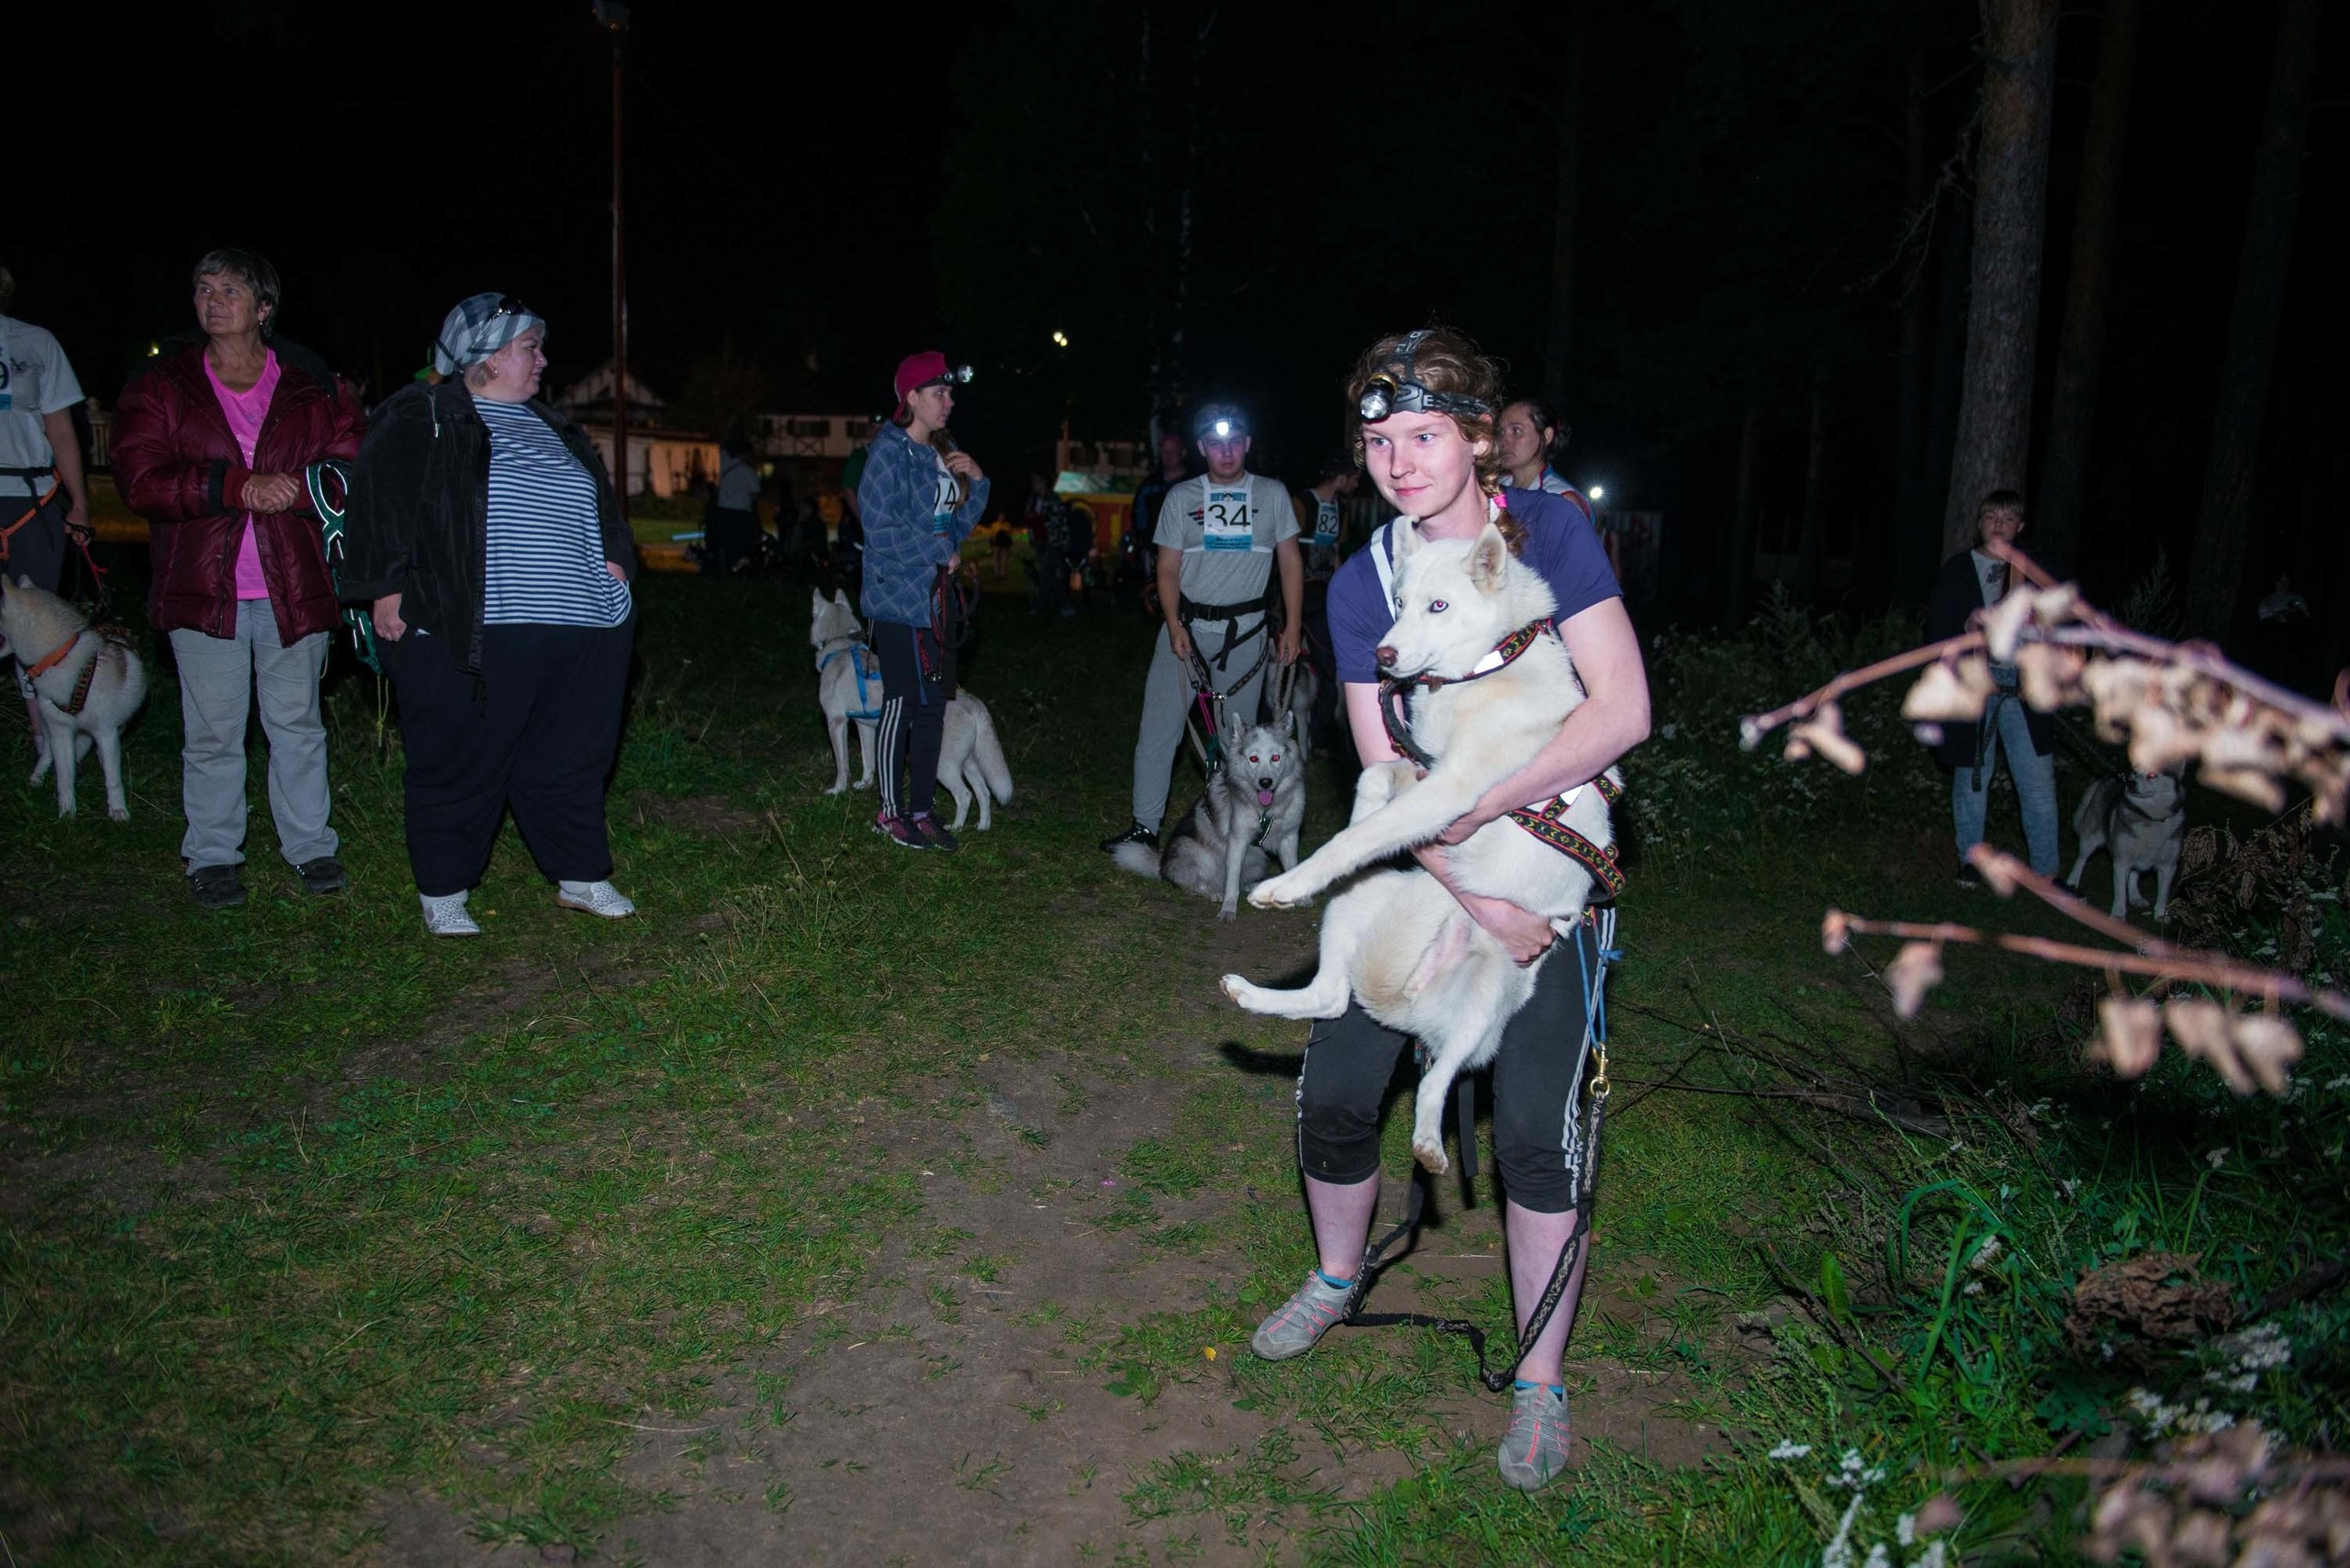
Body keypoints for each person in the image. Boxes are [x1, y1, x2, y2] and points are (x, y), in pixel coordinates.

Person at [1247, 328, 1648, 1493]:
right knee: (1333, 1090)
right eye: (1376, 439)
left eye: (1423, 433)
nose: (1398, 459)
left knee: (1532, 1131)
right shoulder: (1361, 577)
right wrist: (1469, 878)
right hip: (1439, 875)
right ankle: (1334, 1275)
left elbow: (1619, 710)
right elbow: (1381, 771)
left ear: (1477, 435)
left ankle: (1537, 1380)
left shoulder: (1551, 534)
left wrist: (1497, 819)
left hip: (1549, 872)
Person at [343, 293, 640, 935]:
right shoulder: (421, 414)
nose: (543, 360)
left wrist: (616, 566)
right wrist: (385, 587)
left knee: (570, 753)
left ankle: (581, 875)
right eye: (531, 346)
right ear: (489, 353)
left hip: (581, 624)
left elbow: (604, 510)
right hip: (476, 624)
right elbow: (382, 502)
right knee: (461, 753)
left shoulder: (555, 426)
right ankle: (444, 889)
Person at [109, 249, 364, 910]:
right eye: (203, 288)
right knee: (215, 732)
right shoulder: (163, 383)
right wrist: (233, 486)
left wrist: (301, 489)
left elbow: (352, 464)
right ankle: (214, 855)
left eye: (230, 290)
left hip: (293, 584)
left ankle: (311, 848)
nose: (213, 300)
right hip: (206, 587)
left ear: (264, 308)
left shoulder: (310, 381)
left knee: (297, 726)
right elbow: (139, 478)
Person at [1101, 403, 1303, 854]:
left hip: (1247, 635)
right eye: (1216, 444)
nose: (1226, 452)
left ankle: (1237, 835)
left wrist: (1292, 626)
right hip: (1187, 632)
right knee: (1159, 729)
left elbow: (1290, 562)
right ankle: (1144, 827)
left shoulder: (1271, 495)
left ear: (1247, 445)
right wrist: (1173, 625)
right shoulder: (1182, 497)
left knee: (1242, 744)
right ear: (1202, 448)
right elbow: (1167, 569)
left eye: (1235, 443)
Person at [858, 351, 990, 851]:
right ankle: (890, 812)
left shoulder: (937, 456)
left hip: (936, 604)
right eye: (939, 393)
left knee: (933, 706)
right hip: (897, 602)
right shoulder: (887, 453)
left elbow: (951, 530)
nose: (948, 401)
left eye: (950, 393)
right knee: (902, 702)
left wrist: (976, 484)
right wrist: (938, 551)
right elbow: (879, 531)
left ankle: (921, 810)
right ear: (911, 398)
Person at [1926, 488, 2058, 884]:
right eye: (1990, 517)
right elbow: (1935, 632)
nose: (1998, 524)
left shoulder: (2037, 571)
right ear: (1980, 524)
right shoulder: (1958, 569)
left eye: (2007, 518)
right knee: (1971, 779)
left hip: (2024, 693)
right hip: (1976, 687)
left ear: (2020, 525)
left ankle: (2047, 875)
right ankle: (1972, 862)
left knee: (2036, 784)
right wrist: (1964, 628)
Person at [0, 264, 94, 757]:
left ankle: (45, 741)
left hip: (28, 497)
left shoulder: (36, 343)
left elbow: (62, 431)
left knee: (32, 623)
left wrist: (78, 504)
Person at [1125, 429, 1190, 610]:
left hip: (1187, 550)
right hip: (1152, 549)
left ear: (1182, 452)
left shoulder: (1193, 484)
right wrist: (1142, 540)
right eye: (1164, 451)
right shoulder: (1149, 485)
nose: (1167, 456)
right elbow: (1138, 515)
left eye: (1172, 451)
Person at [704, 432, 763, 574]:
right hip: (741, 513)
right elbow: (755, 495)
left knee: (725, 542)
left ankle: (723, 566)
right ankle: (737, 569)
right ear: (747, 455)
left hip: (723, 511)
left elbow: (722, 448)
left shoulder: (725, 464)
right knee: (740, 543)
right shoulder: (749, 473)